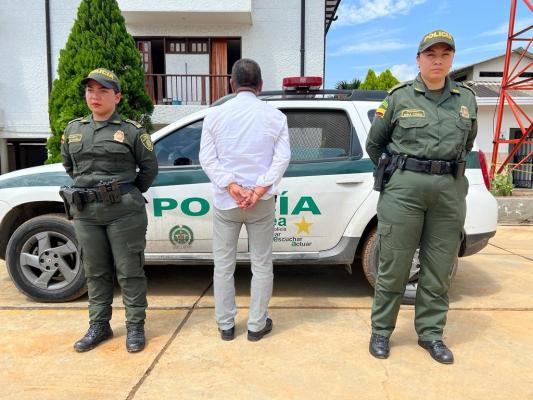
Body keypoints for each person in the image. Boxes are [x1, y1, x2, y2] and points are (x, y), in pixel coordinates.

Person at [365, 30, 477, 364]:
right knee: (394, 264)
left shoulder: (466, 99)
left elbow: (467, 143)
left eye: (445, 54)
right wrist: (399, 175)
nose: (437, 60)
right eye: (430, 54)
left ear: (452, 59)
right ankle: (381, 331)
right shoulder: (399, 98)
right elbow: (375, 144)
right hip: (404, 192)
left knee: (439, 267)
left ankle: (431, 334)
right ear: (418, 59)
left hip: (448, 192)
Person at [61, 68, 158, 353]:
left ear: (117, 97)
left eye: (102, 91)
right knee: (95, 272)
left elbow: (149, 169)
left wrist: (126, 191)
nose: (95, 96)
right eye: (90, 90)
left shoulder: (132, 131)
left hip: (123, 212)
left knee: (129, 271)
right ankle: (99, 325)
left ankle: (135, 326)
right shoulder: (73, 130)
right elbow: (70, 167)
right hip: (86, 213)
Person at [199, 58, 291, 342]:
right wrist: (259, 189)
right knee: (261, 264)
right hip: (260, 203)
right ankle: (256, 326)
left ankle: (226, 326)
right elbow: (282, 158)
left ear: (232, 84)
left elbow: (206, 158)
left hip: (227, 201)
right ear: (260, 85)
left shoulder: (214, 115)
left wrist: (231, 185)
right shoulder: (275, 117)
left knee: (223, 265)